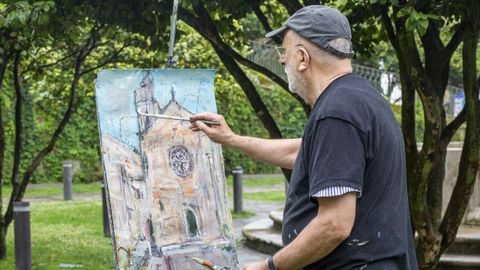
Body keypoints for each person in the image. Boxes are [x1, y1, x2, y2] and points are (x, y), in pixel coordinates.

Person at [190, 5, 418, 270]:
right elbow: (304, 154)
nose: (283, 61)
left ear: (302, 57)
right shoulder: (363, 98)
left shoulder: (337, 112)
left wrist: (268, 267)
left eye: (283, 52)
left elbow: (334, 225)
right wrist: (230, 138)